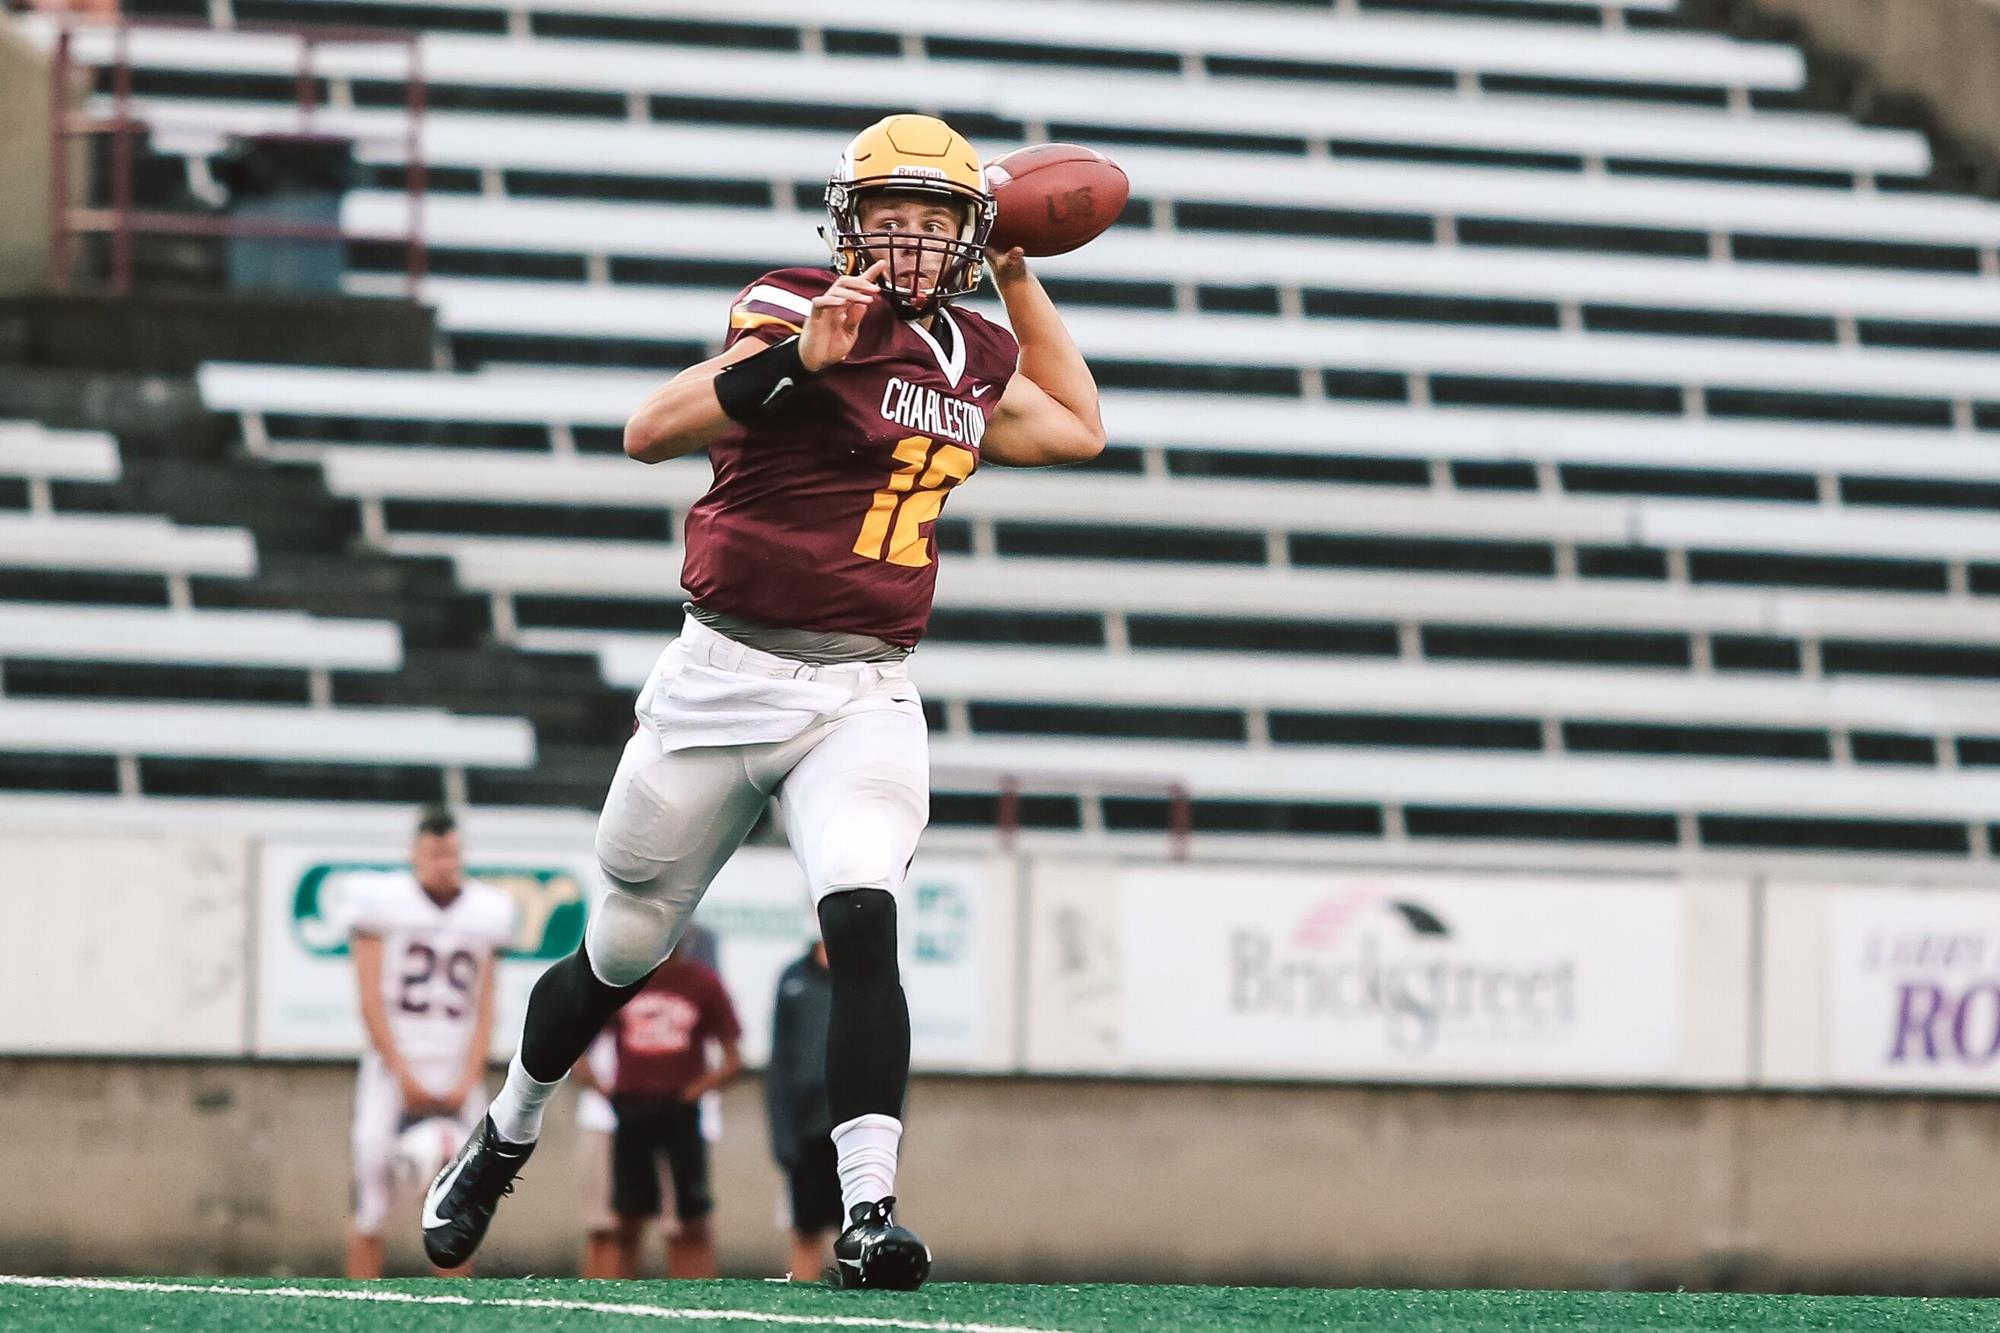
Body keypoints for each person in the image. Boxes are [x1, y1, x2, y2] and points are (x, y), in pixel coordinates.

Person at [423, 111, 1105, 1291]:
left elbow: (1079, 429)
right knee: (625, 943)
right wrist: (799, 362)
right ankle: (508, 1130)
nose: (904, 241)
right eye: (885, 218)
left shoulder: (972, 354)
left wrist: (1016, 274)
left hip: (862, 688)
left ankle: (867, 1211)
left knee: (862, 913)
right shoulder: (795, 306)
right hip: (718, 678)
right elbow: (648, 431)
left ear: (966, 235)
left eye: (933, 222)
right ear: (845, 225)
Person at [346, 805, 514, 1279]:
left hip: (456, 1062)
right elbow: (370, 999)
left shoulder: (486, 910)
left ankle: (455, 1311)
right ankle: (357, 1305)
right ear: (414, 853)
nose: (443, 862)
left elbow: (486, 1004)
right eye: (434, 852)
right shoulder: (382, 902)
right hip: (392, 1064)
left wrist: (469, 1074)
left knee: (463, 1195)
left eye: (451, 853)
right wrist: (402, 1074)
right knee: (371, 1185)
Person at [766, 938, 840, 1281]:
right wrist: (783, 1134)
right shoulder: (794, 978)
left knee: (860, 1232)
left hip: (855, 1125)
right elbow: (780, 1061)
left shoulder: (870, 974)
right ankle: (803, 1309)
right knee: (806, 1229)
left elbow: (891, 1062)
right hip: (807, 1129)